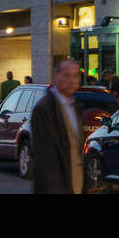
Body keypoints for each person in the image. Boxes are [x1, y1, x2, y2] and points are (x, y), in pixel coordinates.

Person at [30, 59, 85, 194]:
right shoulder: (44, 109)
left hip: (75, 186)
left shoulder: (75, 107)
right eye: (66, 75)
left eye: (75, 76)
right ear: (56, 77)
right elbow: (45, 158)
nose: (72, 80)